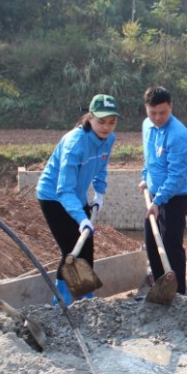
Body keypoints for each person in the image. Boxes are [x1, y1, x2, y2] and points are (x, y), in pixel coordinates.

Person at [36, 94, 118, 305]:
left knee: (86, 248)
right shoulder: (75, 144)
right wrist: (82, 219)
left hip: (77, 195)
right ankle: (61, 304)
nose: (106, 127)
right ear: (90, 117)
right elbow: (63, 190)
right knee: (71, 250)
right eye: (101, 121)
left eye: (111, 122)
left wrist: (98, 192)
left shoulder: (109, 139)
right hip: (53, 196)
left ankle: (86, 302)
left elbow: (102, 165)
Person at [140, 86, 187, 295]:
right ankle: (160, 291)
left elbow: (176, 175)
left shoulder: (179, 134)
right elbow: (150, 158)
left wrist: (158, 201)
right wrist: (145, 177)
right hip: (153, 196)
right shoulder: (146, 126)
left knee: (171, 248)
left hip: (173, 199)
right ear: (146, 110)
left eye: (163, 112)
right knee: (152, 245)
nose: (158, 117)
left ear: (171, 107)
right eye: (153, 113)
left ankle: (179, 296)